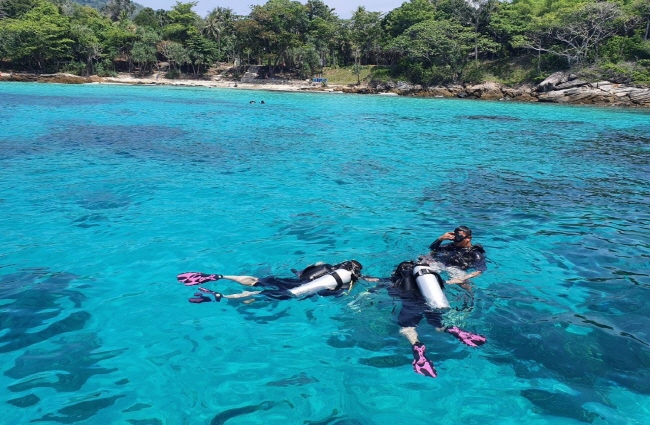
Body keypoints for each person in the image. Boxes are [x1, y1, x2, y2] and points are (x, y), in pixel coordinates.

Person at [388, 260, 486, 379]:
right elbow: (449, 283)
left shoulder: (397, 280)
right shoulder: (428, 278)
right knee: (438, 324)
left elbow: (391, 293)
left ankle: (417, 345)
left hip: (411, 306)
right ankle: (453, 330)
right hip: (431, 303)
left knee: (407, 328)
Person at [178, 260, 363, 303]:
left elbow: (302, 272)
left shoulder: (326, 266)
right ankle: (223, 296)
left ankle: (221, 276)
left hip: (289, 280)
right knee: (260, 295)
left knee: (258, 281)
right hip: (298, 290)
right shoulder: (345, 282)